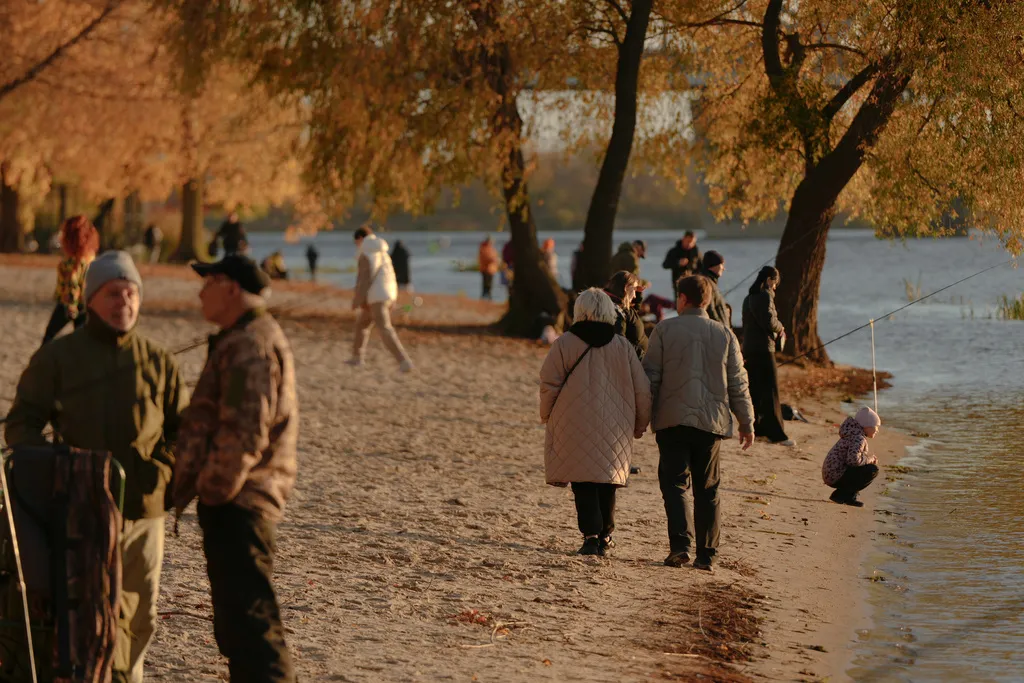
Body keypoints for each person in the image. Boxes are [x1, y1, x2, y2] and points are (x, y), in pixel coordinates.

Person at [6, 250, 189, 683]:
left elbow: (185, 433)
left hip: (144, 513)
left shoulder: (159, 361)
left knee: (140, 610)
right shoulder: (57, 358)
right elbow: (21, 424)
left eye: (131, 293)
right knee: (85, 609)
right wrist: (57, 467)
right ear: (90, 300)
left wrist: (162, 473)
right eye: (112, 293)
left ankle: (128, 677)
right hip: (78, 508)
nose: (123, 302)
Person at [172, 254, 297, 683]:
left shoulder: (251, 343)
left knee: (253, 630)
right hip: (237, 501)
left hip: (241, 504)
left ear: (228, 287)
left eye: (207, 283)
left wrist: (213, 492)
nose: (200, 292)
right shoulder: (241, 336)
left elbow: (246, 432)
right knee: (238, 629)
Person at [643, 275, 754, 571]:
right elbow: (737, 383)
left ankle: (680, 546)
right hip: (711, 422)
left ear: (682, 298)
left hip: (672, 420)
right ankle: (707, 554)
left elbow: (650, 378)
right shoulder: (725, 334)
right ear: (707, 301)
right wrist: (747, 421)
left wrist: (641, 416)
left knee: (676, 484)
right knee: (708, 489)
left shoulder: (664, 329)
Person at [539, 288, 651, 557]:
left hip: (573, 418)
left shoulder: (565, 343)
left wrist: (546, 414)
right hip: (616, 423)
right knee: (607, 478)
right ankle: (606, 534)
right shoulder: (622, 345)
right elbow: (642, 389)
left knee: (583, 480)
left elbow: (549, 384)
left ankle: (590, 536)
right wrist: (641, 423)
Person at [741, 266, 795, 446]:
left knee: (756, 391)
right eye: (775, 283)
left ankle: (758, 429)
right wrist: (781, 328)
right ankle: (777, 435)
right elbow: (769, 321)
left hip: (750, 349)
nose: (775, 287)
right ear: (770, 280)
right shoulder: (764, 296)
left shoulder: (748, 298)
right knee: (771, 392)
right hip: (764, 349)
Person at [348, 228, 413, 372]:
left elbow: (365, 279)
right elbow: (390, 276)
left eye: (356, 242)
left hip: (375, 297)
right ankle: (356, 357)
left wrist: (357, 300)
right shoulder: (383, 252)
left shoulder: (366, 252)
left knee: (385, 328)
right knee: (362, 325)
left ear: (359, 238)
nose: (356, 245)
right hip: (387, 294)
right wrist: (393, 298)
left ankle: (404, 361)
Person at [41, 215, 99, 344]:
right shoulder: (90, 259)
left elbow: (71, 285)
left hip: (67, 304)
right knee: (83, 340)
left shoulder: (70, 263)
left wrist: (70, 307)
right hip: (85, 304)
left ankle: (42, 361)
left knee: (49, 337)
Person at [822, 407, 881, 507]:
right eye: (876, 426)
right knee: (872, 470)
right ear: (866, 426)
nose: (877, 430)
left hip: (832, 473)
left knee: (865, 467)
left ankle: (845, 495)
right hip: (836, 475)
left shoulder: (853, 434)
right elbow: (853, 461)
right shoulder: (858, 438)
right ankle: (842, 495)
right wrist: (869, 460)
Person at [604, 271, 648, 360]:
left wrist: (638, 293)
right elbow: (620, 343)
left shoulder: (620, 305)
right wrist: (644, 357)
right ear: (626, 287)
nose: (635, 296)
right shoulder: (616, 311)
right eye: (634, 290)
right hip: (634, 364)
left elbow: (632, 314)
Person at [662, 230, 701, 295]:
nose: (690, 244)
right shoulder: (674, 251)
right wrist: (678, 263)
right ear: (683, 239)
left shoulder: (696, 253)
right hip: (678, 285)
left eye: (692, 242)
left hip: (694, 284)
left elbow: (702, 267)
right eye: (688, 241)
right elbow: (665, 265)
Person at [700, 250, 730, 327]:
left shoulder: (711, 282)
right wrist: (722, 328)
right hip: (717, 332)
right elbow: (710, 310)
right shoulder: (707, 283)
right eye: (722, 265)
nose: (724, 268)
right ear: (713, 265)